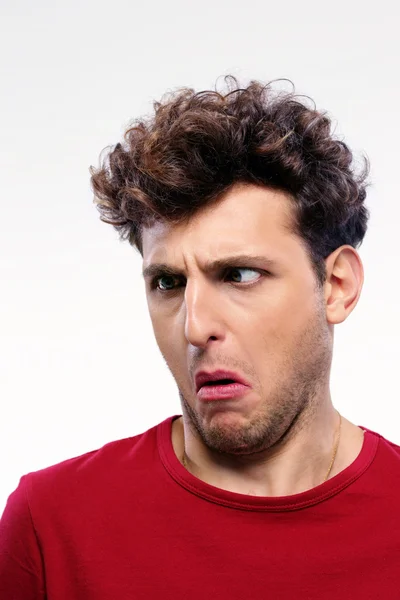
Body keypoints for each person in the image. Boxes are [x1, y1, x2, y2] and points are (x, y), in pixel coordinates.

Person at [1, 76, 399, 599]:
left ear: (338, 287)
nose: (194, 326)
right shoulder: (51, 524)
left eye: (239, 275)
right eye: (168, 282)